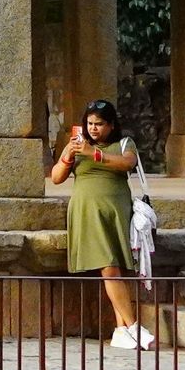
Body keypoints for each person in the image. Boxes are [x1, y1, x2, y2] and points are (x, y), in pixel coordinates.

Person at [51, 99, 152, 350]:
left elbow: (127, 163)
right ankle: (133, 327)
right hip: (88, 212)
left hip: (116, 213)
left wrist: (93, 153)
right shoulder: (77, 146)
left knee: (117, 268)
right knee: (108, 267)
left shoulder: (124, 144)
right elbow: (56, 178)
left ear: (111, 125)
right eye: (90, 123)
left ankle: (120, 331)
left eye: (99, 124)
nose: (94, 128)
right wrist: (68, 155)